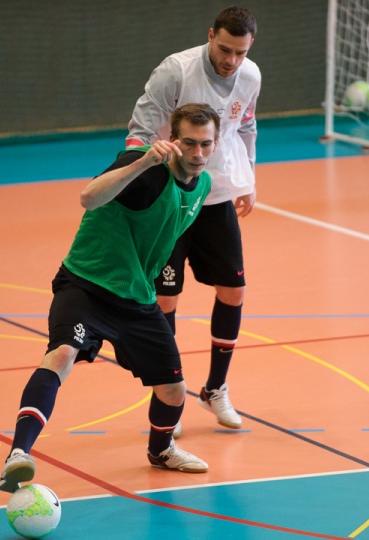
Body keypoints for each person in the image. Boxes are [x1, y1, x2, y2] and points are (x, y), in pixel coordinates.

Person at [0, 103, 220, 493]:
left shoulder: (202, 185)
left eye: (206, 144)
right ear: (172, 139)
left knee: (173, 390)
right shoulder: (143, 166)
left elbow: (164, 231)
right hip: (86, 284)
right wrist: (142, 162)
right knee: (62, 354)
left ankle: (161, 450)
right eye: (189, 143)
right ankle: (18, 454)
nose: (197, 153)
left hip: (136, 297)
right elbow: (88, 197)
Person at [125, 5, 261, 431]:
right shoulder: (176, 71)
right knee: (165, 300)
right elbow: (139, 130)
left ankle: (215, 389)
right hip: (172, 198)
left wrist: (248, 178)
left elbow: (246, 126)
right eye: (225, 49)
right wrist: (139, 179)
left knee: (234, 290)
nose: (231, 61)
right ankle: (170, 389)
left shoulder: (251, 75)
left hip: (217, 195)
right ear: (210, 35)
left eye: (240, 52)